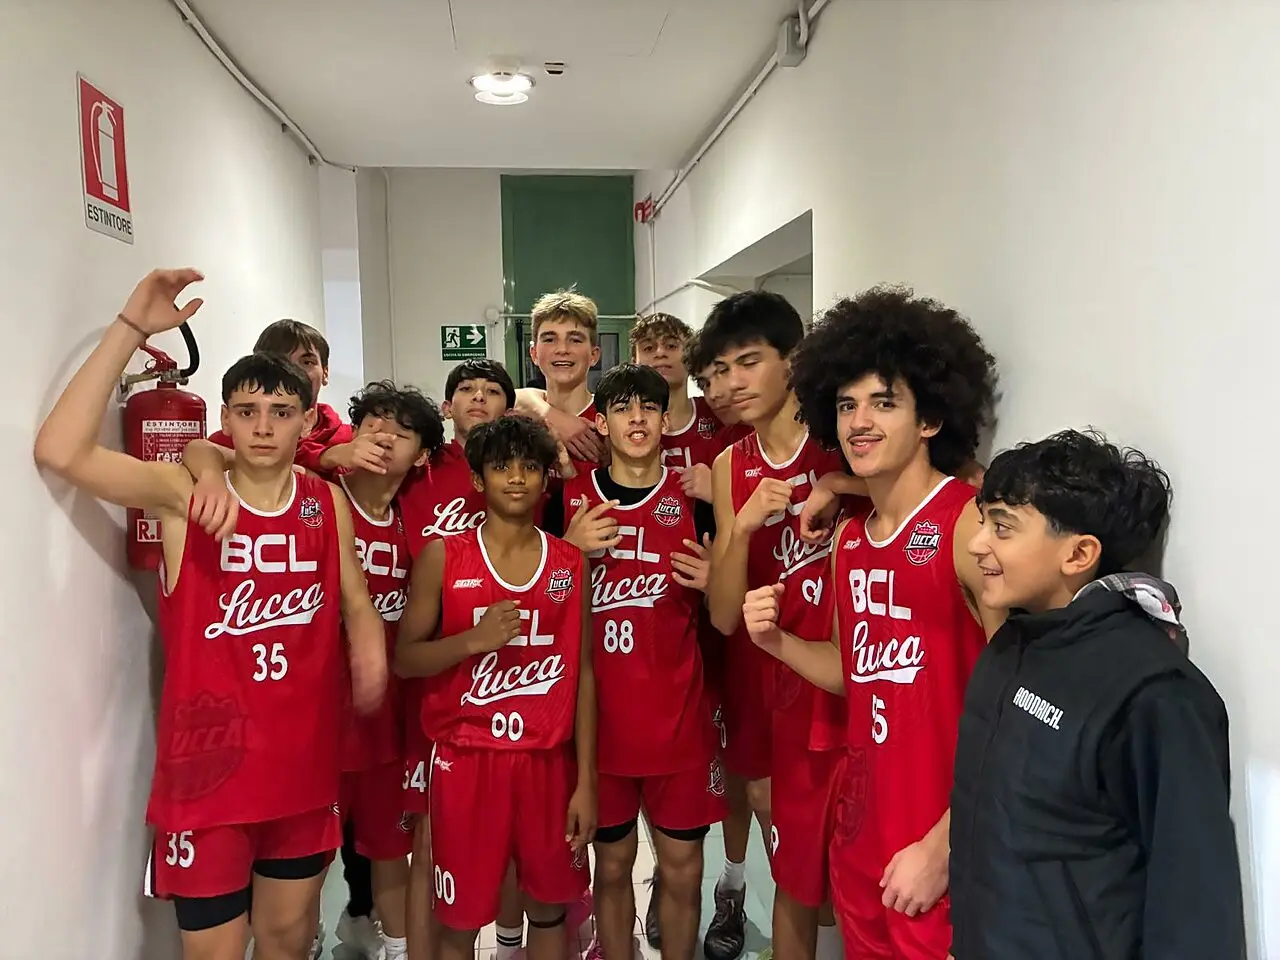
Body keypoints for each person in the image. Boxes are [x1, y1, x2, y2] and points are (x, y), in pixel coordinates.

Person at [33, 270, 387, 960]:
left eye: (281, 411)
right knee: (214, 953)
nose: (264, 426)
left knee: (287, 940)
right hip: (207, 778)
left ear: (308, 420)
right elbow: (60, 450)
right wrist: (131, 328)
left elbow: (356, 603)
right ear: (225, 417)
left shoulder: (325, 503)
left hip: (301, 769)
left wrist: (369, 643)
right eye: (247, 411)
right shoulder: (181, 493)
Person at [743, 285, 1001, 960]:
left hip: (942, 841)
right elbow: (850, 671)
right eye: (847, 404)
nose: (860, 421)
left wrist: (944, 846)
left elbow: (1020, 703)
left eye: (884, 403)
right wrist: (776, 642)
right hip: (864, 831)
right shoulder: (850, 539)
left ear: (930, 419)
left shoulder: (966, 525)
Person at [949, 429, 1245, 959]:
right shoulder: (1010, 647)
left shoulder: (1155, 693)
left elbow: (1195, 906)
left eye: (1003, 527)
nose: (977, 544)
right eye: (983, 521)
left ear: (1079, 553)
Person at [394, 415, 597, 960]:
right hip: (466, 760)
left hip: (548, 763)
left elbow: (582, 674)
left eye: (529, 466)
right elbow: (405, 660)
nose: (516, 478)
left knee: (549, 909)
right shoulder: (443, 556)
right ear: (477, 479)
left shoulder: (571, 562)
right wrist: (472, 641)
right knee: (460, 920)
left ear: (545, 478)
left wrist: (586, 781)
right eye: (502, 466)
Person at [697, 291, 852, 960]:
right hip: (763, 675)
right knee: (783, 846)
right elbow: (722, 614)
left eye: (749, 362)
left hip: (845, 671)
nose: (732, 382)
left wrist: (842, 487)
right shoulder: (730, 465)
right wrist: (740, 529)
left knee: (849, 852)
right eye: (721, 369)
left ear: (793, 360)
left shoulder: (842, 439)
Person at [552, 364, 723, 960]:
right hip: (598, 726)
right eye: (622, 408)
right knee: (612, 864)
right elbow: (536, 601)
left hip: (678, 719)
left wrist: (718, 580)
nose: (637, 418)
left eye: (648, 407)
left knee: (683, 867)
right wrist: (567, 553)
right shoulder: (570, 497)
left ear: (664, 419)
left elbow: (730, 610)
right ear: (601, 422)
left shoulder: (696, 497)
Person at [630, 317, 752, 960]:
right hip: (658, 625)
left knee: (732, 766)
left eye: (670, 346)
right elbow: (534, 401)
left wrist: (719, 488)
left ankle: (732, 886)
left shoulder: (719, 420)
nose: (660, 356)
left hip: (723, 614)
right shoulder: (618, 418)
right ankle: (664, 877)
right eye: (646, 347)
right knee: (661, 763)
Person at [396, 358, 522, 960]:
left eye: (492, 390)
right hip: (435, 670)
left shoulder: (522, 469)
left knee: (513, 829)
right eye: (465, 389)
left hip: (515, 671)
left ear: (509, 405)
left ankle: (510, 943)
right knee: (431, 833)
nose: (478, 397)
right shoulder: (417, 466)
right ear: (447, 407)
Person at [335, 381, 445, 960]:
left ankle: (397, 947)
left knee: (388, 850)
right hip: (318, 720)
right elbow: (212, 452)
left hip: (389, 723)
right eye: (371, 425)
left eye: (399, 432)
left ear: (422, 455)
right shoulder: (319, 497)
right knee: (301, 863)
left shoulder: (415, 523)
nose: (381, 438)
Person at [514, 289, 606, 471]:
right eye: (550, 339)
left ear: (594, 355)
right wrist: (553, 417)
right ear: (534, 353)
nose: (562, 349)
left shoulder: (610, 419)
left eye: (575, 340)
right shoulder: (518, 418)